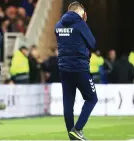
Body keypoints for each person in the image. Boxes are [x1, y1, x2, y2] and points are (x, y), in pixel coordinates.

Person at [54, 1, 98, 140]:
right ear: (80, 12)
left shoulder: (58, 25)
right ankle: (77, 129)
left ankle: (71, 135)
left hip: (64, 68)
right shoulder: (80, 24)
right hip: (80, 68)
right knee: (92, 98)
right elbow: (93, 43)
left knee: (68, 102)